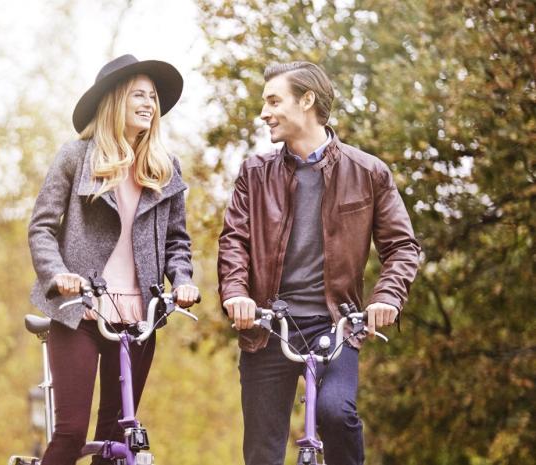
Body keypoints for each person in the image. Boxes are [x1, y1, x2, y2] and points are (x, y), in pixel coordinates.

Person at [218, 61, 421, 465]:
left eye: (274, 101)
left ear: (307, 100)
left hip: (335, 324)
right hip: (268, 326)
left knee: (336, 412)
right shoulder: (255, 174)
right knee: (261, 451)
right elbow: (234, 242)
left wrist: (387, 299)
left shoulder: (367, 171)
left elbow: (402, 246)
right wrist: (236, 294)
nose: (264, 113)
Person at [28, 54, 199, 465]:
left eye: (153, 97)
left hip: (139, 319)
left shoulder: (164, 168)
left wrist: (183, 279)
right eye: (138, 94)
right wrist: (59, 275)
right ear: (114, 102)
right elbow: (42, 228)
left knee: (118, 435)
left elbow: (177, 240)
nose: (149, 103)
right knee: (71, 432)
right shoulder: (76, 158)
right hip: (81, 312)